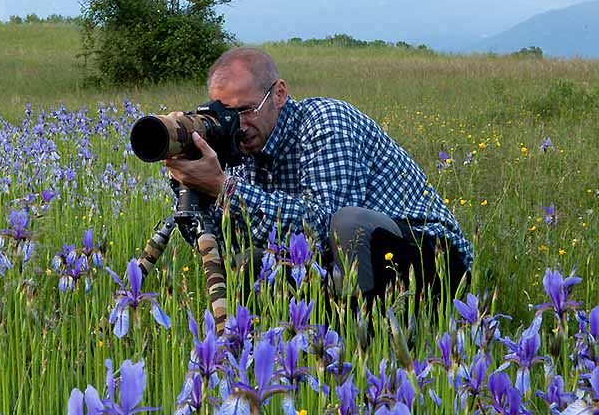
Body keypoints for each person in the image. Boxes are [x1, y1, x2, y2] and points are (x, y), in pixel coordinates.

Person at [152, 47, 472, 303]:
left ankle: (362, 349)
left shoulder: (325, 120)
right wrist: (192, 180)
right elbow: (220, 246)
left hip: (432, 258)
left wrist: (223, 187)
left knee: (347, 224)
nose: (239, 125)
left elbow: (321, 225)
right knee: (250, 261)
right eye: (225, 115)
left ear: (279, 94)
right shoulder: (237, 147)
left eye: (246, 110)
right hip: (343, 266)